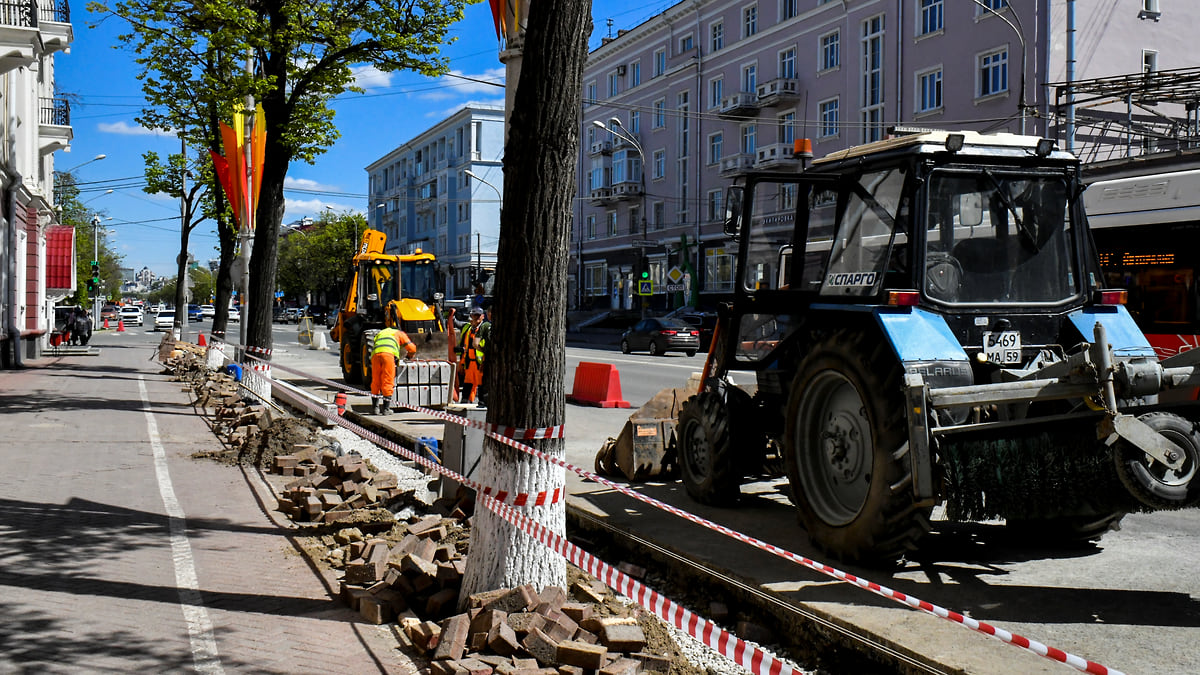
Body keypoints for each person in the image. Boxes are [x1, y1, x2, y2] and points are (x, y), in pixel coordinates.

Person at [370, 324, 417, 415]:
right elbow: (412, 348)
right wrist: (409, 356)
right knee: (387, 380)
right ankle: (386, 409)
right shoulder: (399, 333)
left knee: (376, 380)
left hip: (375, 355)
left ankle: (375, 409)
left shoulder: (381, 333)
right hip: (388, 356)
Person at [456, 306, 490, 404]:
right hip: (469, 363)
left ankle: (482, 403)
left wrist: (485, 362)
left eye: (478, 316)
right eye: (474, 315)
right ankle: (465, 402)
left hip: (480, 364)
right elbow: (465, 347)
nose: (475, 318)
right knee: (467, 383)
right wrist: (462, 363)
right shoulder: (468, 329)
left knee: (481, 385)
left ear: (482, 316)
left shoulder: (485, 329)